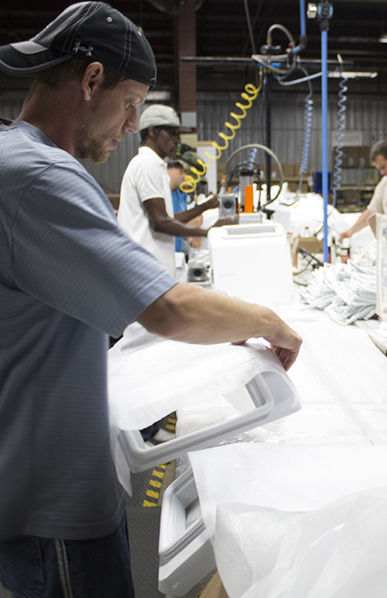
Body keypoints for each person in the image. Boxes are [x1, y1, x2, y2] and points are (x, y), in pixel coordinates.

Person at [0, 4, 301, 597]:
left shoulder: (15, 158)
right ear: (91, 81)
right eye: (132, 102)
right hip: (51, 514)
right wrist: (269, 321)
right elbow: (168, 308)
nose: (133, 124)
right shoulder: (37, 176)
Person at [117, 104, 221, 274]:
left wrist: (205, 207)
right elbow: (161, 222)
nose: (177, 140)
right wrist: (207, 232)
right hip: (142, 270)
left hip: (151, 270)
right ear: (152, 132)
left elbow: (170, 218)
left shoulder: (157, 167)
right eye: (172, 134)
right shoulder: (146, 164)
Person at [338, 139, 387, 243]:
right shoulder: (385, 183)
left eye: (383, 167)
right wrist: (351, 231)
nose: (382, 172)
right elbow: (372, 211)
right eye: (379, 169)